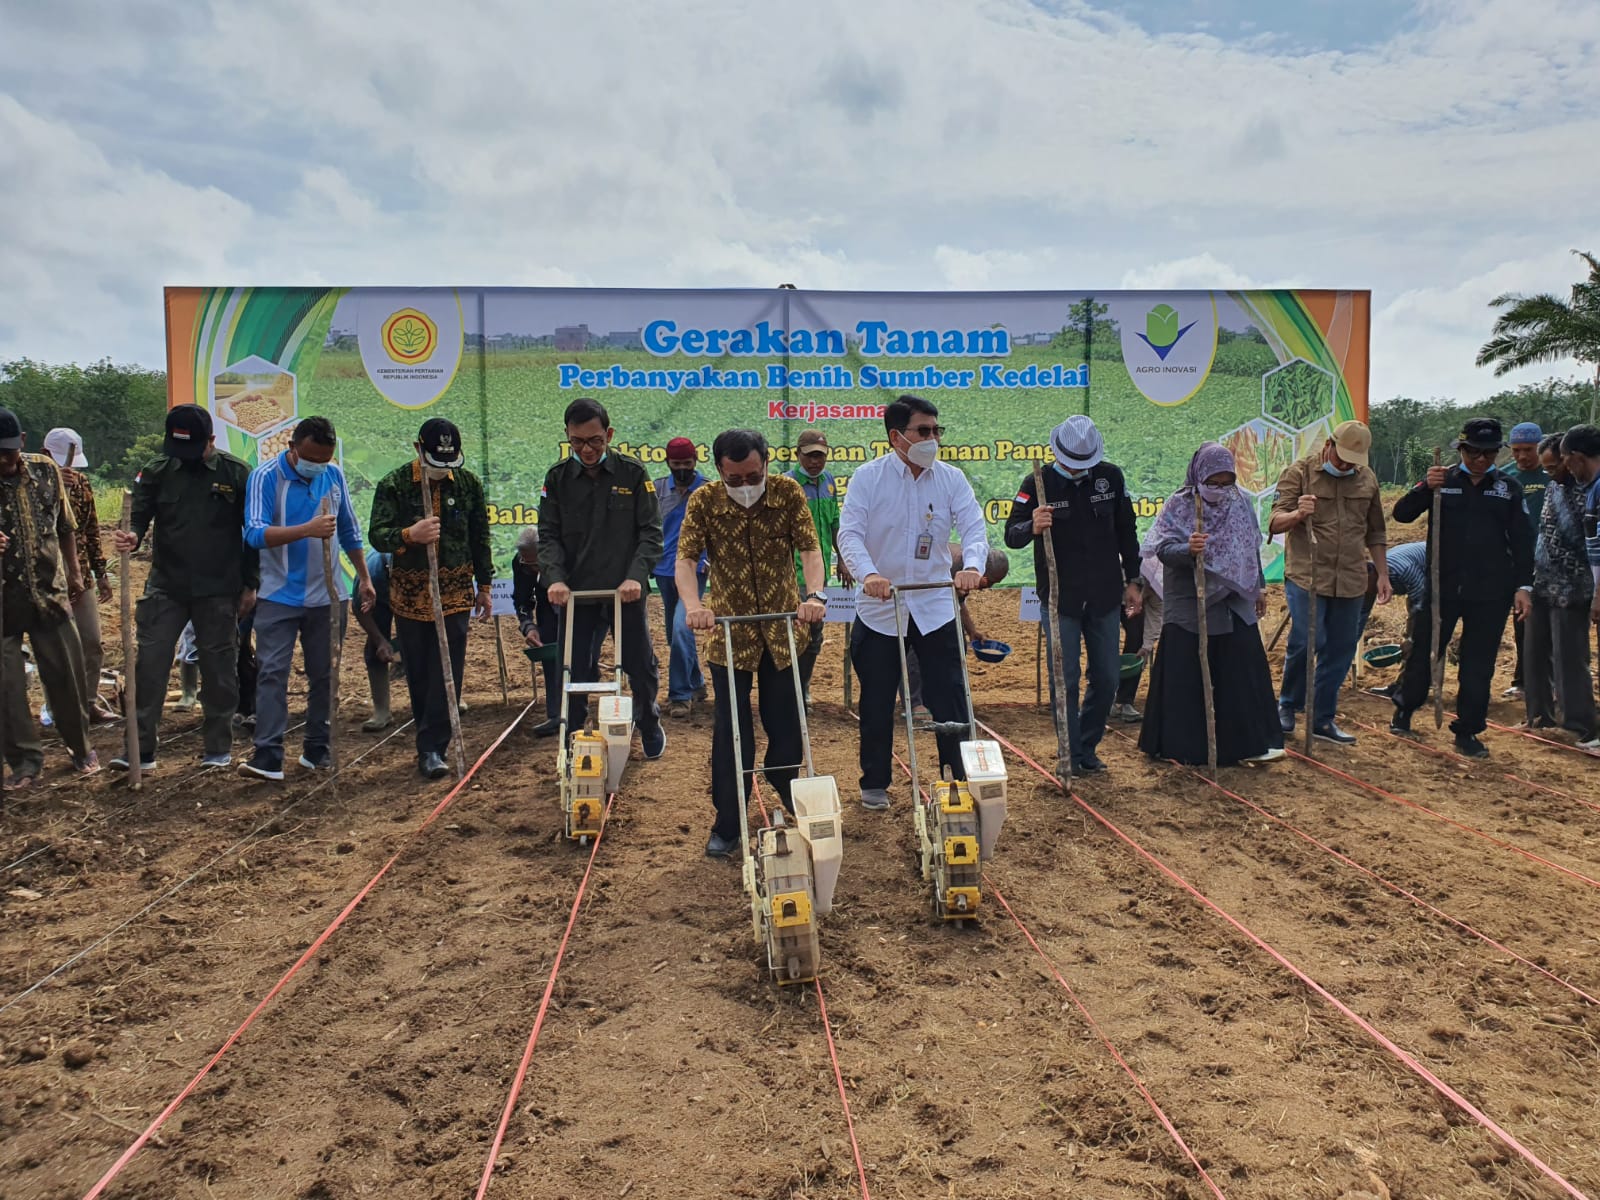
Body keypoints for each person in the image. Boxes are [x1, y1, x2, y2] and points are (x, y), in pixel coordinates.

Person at [677, 429, 827, 857]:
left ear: (765, 464)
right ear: (720, 470)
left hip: (783, 631)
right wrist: (693, 605)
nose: (745, 486)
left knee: (784, 724)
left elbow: (810, 550)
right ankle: (728, 820)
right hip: (729, 633)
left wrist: (813, 595)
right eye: (735, 479)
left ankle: (786, 786)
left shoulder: (787, 492)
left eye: (752, 476)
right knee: (732, 730)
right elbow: (686, 560)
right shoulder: (704, 501)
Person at [838, 395, 987, 811]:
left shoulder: (951, 479)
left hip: (935, 604)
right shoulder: (868, 478)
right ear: (896, 437)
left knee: (950, 696)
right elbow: (849, 534)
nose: (933, 438)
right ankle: (875, 783)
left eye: (937, 430)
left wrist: (971, 566)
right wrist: (868, 574)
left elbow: (974, 527)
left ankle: (955, 779)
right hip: (881, 607)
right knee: (878, 699)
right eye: (924, 431)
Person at [112, 404, 257, 771]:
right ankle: (140, 750)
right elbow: (140, 516)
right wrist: (132, 535)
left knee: (220, 670)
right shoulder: (158, 471)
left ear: (211, 440)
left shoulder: (237, 473)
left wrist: (250, 584)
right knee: (150, 665)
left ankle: (217, 749)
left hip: (219, 589)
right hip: (167, 586)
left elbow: (252, 534)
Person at [238, 417, 376, 781]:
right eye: (312, 457)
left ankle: (318, 749)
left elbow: (348, 529)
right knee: (272, 673)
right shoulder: (266, 477)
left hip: (329, 598)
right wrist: (307, 531)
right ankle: (267, 755)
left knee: (325, 675)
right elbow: (253, 533)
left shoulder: (334, 476)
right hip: (278, 596)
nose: (319, 465)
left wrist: (363, 576)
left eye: (326, 458)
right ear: (293, 448)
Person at [1004, 415, 1141, 774]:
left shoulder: (1110, 477)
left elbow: (1127, 530)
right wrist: (1031, 524)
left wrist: (1134, 580)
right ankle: (1068, 751)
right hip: (1060, 598)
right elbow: (1011, 535)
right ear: (1057, 453)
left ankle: (1087, 747)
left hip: (1105, 593)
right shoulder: (1037, 483)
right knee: (1066, 677)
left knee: (1108, 675)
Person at [1390, 418, 1534, 758]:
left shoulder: (1508, 489)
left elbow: (1524, 542)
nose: (1481, 460)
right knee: (1425, 651)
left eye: (1488, 453)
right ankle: (1405, 709)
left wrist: (1523, 586)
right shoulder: (1442, 481)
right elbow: (1401, 514)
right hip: (1442, 588)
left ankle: (1467, 730)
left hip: (1490, 592)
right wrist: (1425, 486)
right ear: (1461, 449)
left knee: (1478, 663)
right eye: (1474, 452)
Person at [1139, 442, 1284, 766]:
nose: (1218, 490)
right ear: (1198, 476)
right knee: (1186, 672)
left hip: (1234, 601)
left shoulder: (1242, 502)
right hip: (1191, 601)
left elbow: (1250, 548)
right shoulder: (1180, 506)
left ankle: (1246, 744)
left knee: (1241, 668)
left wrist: (1257, 587)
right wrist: (1188, 549)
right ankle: (1182, 746)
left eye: (1225, 482)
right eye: (1211, 483)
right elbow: (1162, 550)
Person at [537, 398, 666, 758]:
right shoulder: (557, 478)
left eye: (594, 440)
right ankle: (575, 730)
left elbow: (650, 533)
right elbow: (547, 535)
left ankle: (647, 718)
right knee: (575, 666)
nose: (587, 449)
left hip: (623, 590)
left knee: (639, 663)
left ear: (608, 435)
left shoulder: (632, 474)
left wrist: (636, 577)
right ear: (567, 437)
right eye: (577, 441)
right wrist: (555, 579)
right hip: (576, 593)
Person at [367, 417, 494, 779]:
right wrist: (410, 533)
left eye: (449, 462)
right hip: (409, 594)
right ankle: (426, 738)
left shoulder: (468, 485)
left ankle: (434, 746)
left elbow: (479, 536)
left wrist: (483, 586)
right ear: (418, 449)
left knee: (448, 670)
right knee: (419, 670)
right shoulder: (393, 485)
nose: (442, 470)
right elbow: (378, 535)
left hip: (454, 593)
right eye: (435, 462)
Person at [1269, 420, 1391, 746]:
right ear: (1329, 444)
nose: (1346, 464)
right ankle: (1288, 705)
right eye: (1341, 457)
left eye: (1353, 460)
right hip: (1307, 575)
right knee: (1309, 639)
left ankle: (1322, 718)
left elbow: (1376, 532)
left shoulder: (1367, 480)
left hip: (1351, 578)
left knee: (1340, 648)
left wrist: (1382, 574)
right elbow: (1274, 521)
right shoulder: (1298, 473)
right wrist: (1297, 514)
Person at [0, 408, 99, 788]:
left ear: (22, 443)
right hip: (4, 603)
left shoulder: (44, 470)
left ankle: (81, 748)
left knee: (66, 676)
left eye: (8, 453)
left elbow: (65, 527)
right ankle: (25, 762)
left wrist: (75, 572)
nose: (4, 461)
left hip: (49, 593)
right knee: (7, 686)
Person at [41, 427, 117, 724]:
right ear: (45, 455)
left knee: (91, 642)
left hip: (80, 575)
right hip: (46, 578)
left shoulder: (82, 484)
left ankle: (87, 704)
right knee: (55, 647)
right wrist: (55, 488)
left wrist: (101, 573)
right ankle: (57, 709)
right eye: (63, 462)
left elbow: (90, 531)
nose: (69, 469)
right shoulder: (30, 484)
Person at [1524, 433, 1595, 745]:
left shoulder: (1589, 491)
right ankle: (1539, 717)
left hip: (1573, 586)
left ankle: (1578, 724)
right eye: (1547, 468)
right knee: (1535, 652)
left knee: (1569, 657)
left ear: (1570, 459)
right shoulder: (1554, 487)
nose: (1552, 472)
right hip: (1541, 580)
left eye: (1555, 466)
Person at [902, 548, 1010, 712]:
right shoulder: (951, 563)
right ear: (982, 569)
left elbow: (959, 602)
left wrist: (971, 630)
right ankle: (915, 703)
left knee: (958, 644)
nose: (988, 587)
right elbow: (929, 593)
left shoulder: (970, 570)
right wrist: (951, 591)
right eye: (989, 581)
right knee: (915, 654)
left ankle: (945, 696)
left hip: (939, 610)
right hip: (914, 608)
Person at [790, 429, 851, 704]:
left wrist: (844, 560)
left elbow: (834, 523)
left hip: (821, 574)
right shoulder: (787, 485)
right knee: (795, 632)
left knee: (815, 634)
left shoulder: (827, 482)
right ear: (798, 454)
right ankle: (789, 691)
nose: (816, 462)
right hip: (794, 574)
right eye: (810, 455)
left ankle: (802, 686)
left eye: (820, 456)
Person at [652, 436, 708, 718]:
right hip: (663, 570)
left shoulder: (709, 490)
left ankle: (679, 695)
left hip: (695, 570)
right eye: (677, 464)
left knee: (681, 628)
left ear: (695, 461)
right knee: (673, 635)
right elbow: (648, 528)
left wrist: (708, 559)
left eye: (687, 463)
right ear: (668, 464)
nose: (682, 469)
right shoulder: (658, 490)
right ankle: (696, 682)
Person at [1503, 422, 1548, 698]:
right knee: (1522, 619)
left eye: (1528, 450)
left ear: (1540, 447)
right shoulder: (1505, 477)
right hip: (1518, 561)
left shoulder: (1553, 475)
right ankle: (1522, 680)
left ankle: (1548, 681)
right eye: (1517, 450)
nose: (1522, 456)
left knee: (1548, 621)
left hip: (1550, 561)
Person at [510, 525, 563, 737]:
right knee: (550, 652)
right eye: (527, 565)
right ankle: (556, 715)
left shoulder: (565, 554)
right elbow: (521, 599)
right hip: (547, 607)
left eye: (536, 564)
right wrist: (529, 626)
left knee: (583, 656)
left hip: (581, 604)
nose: (532, 570)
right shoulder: (520, 563)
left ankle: (578, 711)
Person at [357, 550, 400, 731]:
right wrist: (380, 640)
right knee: (376, 648)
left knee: (420, 641)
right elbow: (359, 609)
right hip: (379, 599)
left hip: (415, 598)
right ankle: (382, 711)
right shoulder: (372, 573)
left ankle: (445, 698)